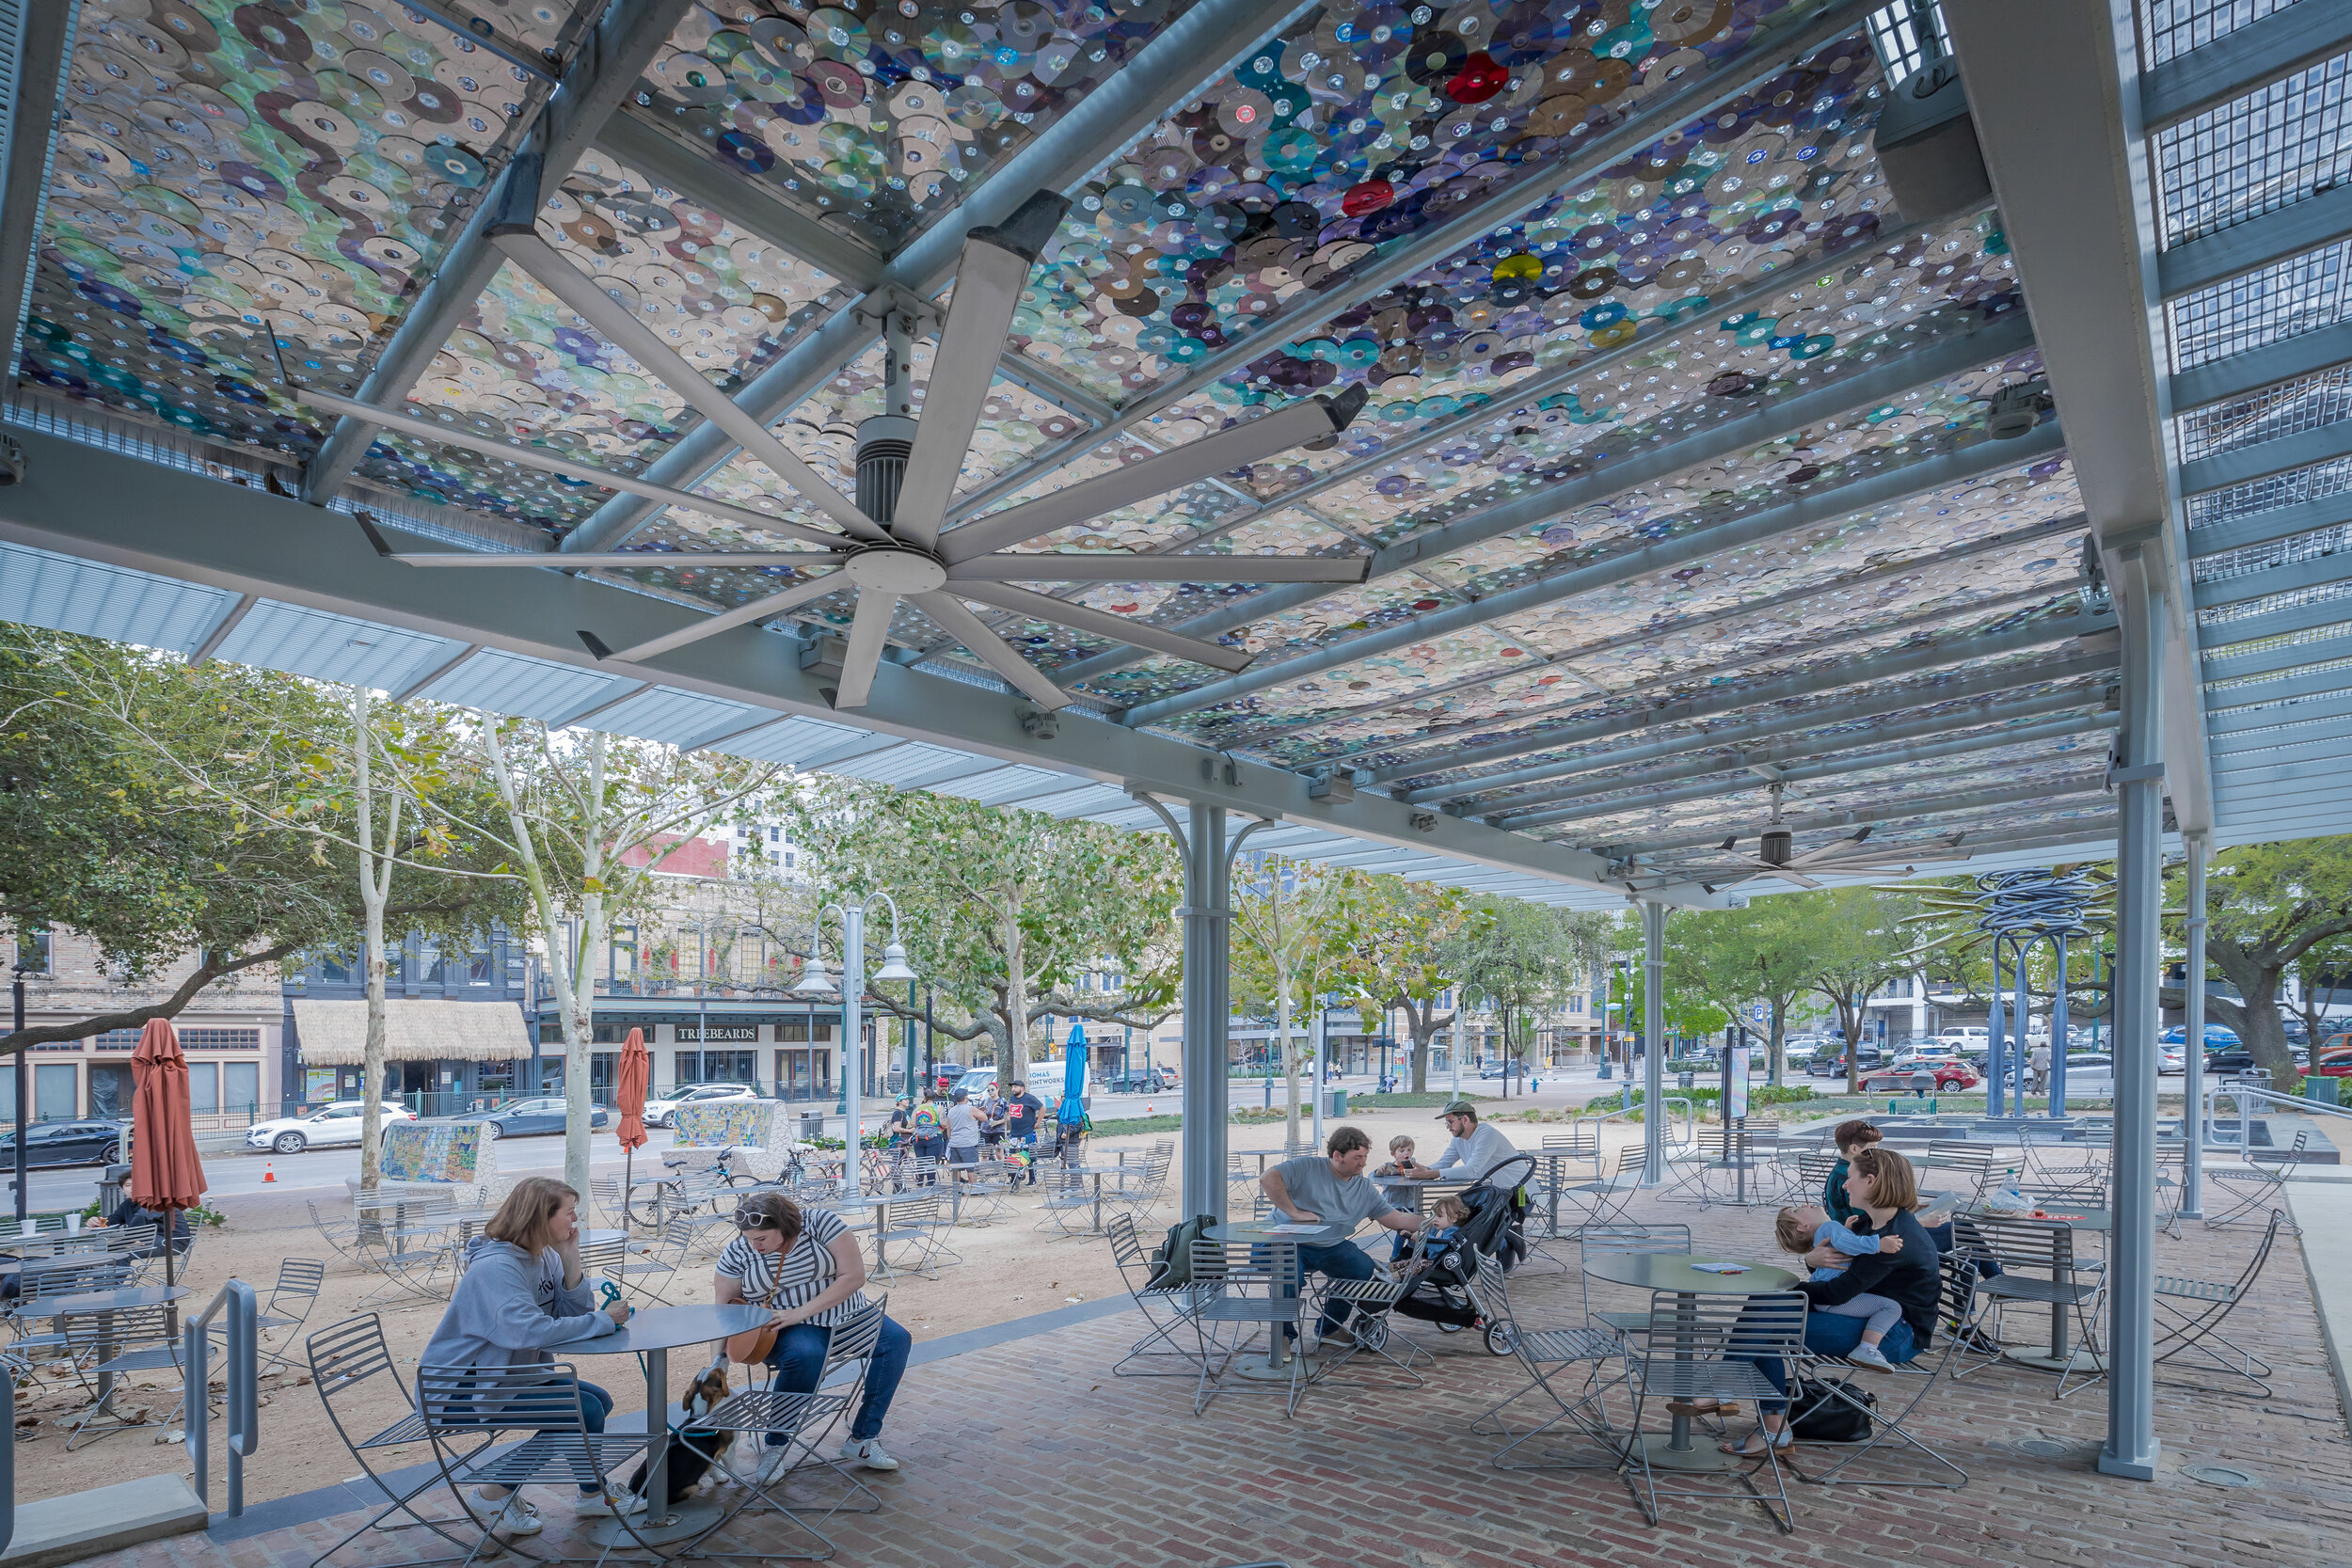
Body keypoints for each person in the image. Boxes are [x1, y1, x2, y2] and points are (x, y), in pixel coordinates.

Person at [420, 1177, 636, 1532]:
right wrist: (599, 1321)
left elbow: (569, 1316)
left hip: (506, 1375)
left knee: (597, 1400)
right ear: (540, 1217)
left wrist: (570, 1258)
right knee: (582, 1409)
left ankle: (589, 1494)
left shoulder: (544, 1255)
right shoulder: (495, 1268)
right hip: (458, 1389)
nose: (575, 1221)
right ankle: (495, 1493)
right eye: (569, 1213)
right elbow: (530, 1331)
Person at [1721, 1147, 1942, 1455]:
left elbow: (1838, 1292)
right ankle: (1761, 1420)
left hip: (1892, 1334)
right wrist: (1811, 1260)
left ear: (1871, 1181)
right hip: (1864, 1314)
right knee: (1764, 1313)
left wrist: (1790, 1286)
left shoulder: (1894, 1241)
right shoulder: (1872, 1227)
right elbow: (1836, 1270)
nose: (1844, 1184)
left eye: (1850, 1177)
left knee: (1766, 1320)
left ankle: (1747, 1408)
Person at [713, 1192, 910, 1481]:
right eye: (749, 1238)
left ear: (784, 1226)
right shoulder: (738, 1251)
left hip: (845, 1313)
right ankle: (775, 1446)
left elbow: (854, 1275)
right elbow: (723, 1308)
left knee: (896, 1341)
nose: (754, 1246)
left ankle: (863, 1438)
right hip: (783, 1327)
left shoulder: (819, 1223)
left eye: (762, 1239)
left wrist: (802, 1311)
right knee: (805, 1355)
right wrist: (718, 1362)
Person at [1260, 1126, 1424, 1349]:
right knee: (1289, 1275)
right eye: (1357, 1157)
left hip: (1329, 1246)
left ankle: (1329, 1328)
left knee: (1361, 1267)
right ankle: (1282, 1336)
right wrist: (1294, 1213)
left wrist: (1437, 1221)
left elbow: (1397, 1219)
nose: (1363, 1163)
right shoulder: (1307, 1166)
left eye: (1365, 1156)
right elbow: (1268, 1178)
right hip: (1284, 1241)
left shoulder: (1363, 1188)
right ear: (1337, 1156)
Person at [1773, 1204, 1907, 1371]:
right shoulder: (1830, 1227)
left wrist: (1843, 1230)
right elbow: (1848, 1244)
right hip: (1832, 1299)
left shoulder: (1828, 1232)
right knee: (1891, 1307)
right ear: (1802, 1226)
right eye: (1797, 1210)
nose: (1805, 1204)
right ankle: (1868, 1348)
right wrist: (1878, 1244)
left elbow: (1842, 1243)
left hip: (1822, 1295)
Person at [1427, 1100, 1518, 1186]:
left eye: (1450, 1122)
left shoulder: (1487, 1134)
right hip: (1495, 1193)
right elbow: (1444, 1164)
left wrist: (1429, 1174)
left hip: (1520, 1195)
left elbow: (1471, 1171)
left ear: (1465, 1119)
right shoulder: (1458, 1139)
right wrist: (1423, 1170)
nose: (1448, 1127)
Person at [1823, 1117, 1882, 1227]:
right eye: (1872, 1148)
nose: (1877, 1152)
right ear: (1854, 1149)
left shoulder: (1839, 1171)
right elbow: (1864, 1215)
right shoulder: (1852, 1176)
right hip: (1859, 1232)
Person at [1004, 1079, 1044, 1184]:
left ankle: (1032, 1179)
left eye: (1015, 1087)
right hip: (1014, 1132)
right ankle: (1013, 1179)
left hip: (1027, 1131)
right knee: (1011, 1155)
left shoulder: (1029, 1098)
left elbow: (1042, 1108)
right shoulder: (1012, 1098)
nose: (1013, 1089)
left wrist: (1038, 1122)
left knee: (1027, 1154)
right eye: (1012, 1087)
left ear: (1022, 1088)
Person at [944, 1086, 983, 1174]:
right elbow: (984, 1117)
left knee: (956, 1170)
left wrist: (951, 1139)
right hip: (968, 1144)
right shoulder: (971, 1109)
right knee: (972, 1170)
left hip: (955, 1144)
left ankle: (956, 1187)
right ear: (966, 1098)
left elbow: (948, 1128)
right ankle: (973, 1186)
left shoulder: (951, 1111)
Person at [909, 1092, 946, 1185]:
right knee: (931, 1162)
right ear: (934, 1098)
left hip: (919, 1138)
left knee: (920, 1161)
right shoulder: (938, 1108)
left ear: (924, 1097)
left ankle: (920, 1181)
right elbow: (943, 1123)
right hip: (934, 1137)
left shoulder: (918, 1108)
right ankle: (930, 1183)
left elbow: (913, 1123)